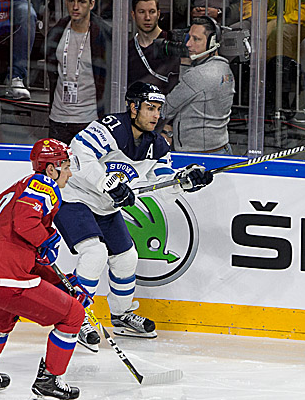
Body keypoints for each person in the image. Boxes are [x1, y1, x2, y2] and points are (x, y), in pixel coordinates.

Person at [54, 82, 214, 352]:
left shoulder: (156, 144)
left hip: (106, 207)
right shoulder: (108, 129)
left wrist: (185, 180)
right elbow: (79, 154)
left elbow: (160, 183)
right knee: (94, 255)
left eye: (158, 109)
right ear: (133, 107)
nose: (155, 115)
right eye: (150, 108)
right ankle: (77, 317)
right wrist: (109, 184)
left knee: (127, 258)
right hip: (75, 198)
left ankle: (121, 314)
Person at [0, 138, 89, 400]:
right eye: (65, 165)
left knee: (1, 320)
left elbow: (22, 247)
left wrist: (60, 283)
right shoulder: (43, 184)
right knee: (73, 314)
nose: (69, 172)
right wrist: (46, 241)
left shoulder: (17, 188)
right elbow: (25, 223)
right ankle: (49, 382)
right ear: (51, 168)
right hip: (4, 274)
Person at [46, 0, 112, 144]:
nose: (75, 7)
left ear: (92, 4)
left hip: (89, 118)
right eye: (71, 1)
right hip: (58, 117)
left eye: (81, 2)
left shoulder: (103, 35)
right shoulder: (57, 31)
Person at [161, 17, 236, 153]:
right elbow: (192, 91)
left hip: (198, 155)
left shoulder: (198, 75)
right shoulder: (225, 69)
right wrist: (185, 63)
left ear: (212, 42)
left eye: (196, 39)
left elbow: (166, 110)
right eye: (188, 38)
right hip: (221, 148)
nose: (188, 44)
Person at [127, 0, 182, 93]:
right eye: (142, 12)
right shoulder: (127, 49)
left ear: (158, 14)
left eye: (152, 12)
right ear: (133, 15)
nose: (147, 18)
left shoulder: (172, 43)